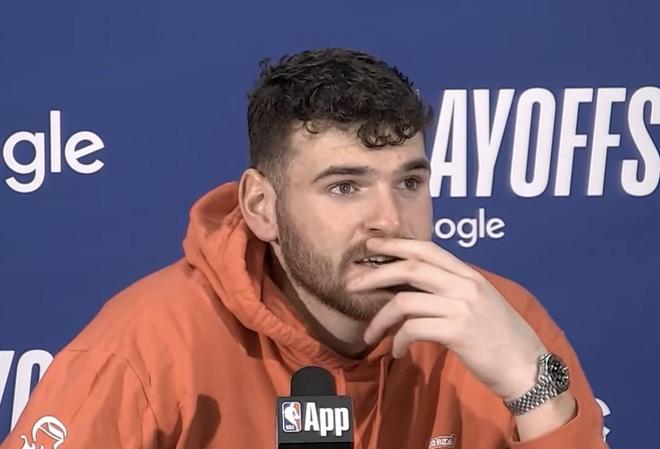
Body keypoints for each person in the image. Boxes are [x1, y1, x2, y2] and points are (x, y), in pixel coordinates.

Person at [1, 48, 606, 449]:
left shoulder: (504, 321)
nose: (390, 221)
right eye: (345, 187)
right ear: (261, 206)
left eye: (409, 183)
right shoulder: (143, 351)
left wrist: (534, 388)